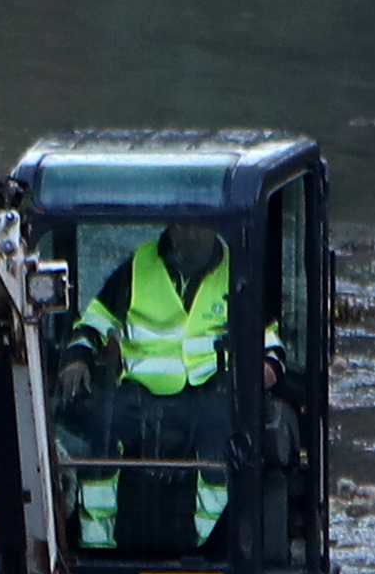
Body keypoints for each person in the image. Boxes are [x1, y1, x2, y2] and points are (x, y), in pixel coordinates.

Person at [55, 221, 278, 555]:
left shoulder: (239, 274)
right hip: (140, 396)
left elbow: (272, 344)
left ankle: (213, 550)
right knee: (103, 425)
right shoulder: (136, 269)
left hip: (210, 393)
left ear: (214, 227)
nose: (189, 235)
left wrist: (266, 369)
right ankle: (96, 545)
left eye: (198, 226)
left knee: (225, 443)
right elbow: (93, 323)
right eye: (182, 227)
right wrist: (77, 358)